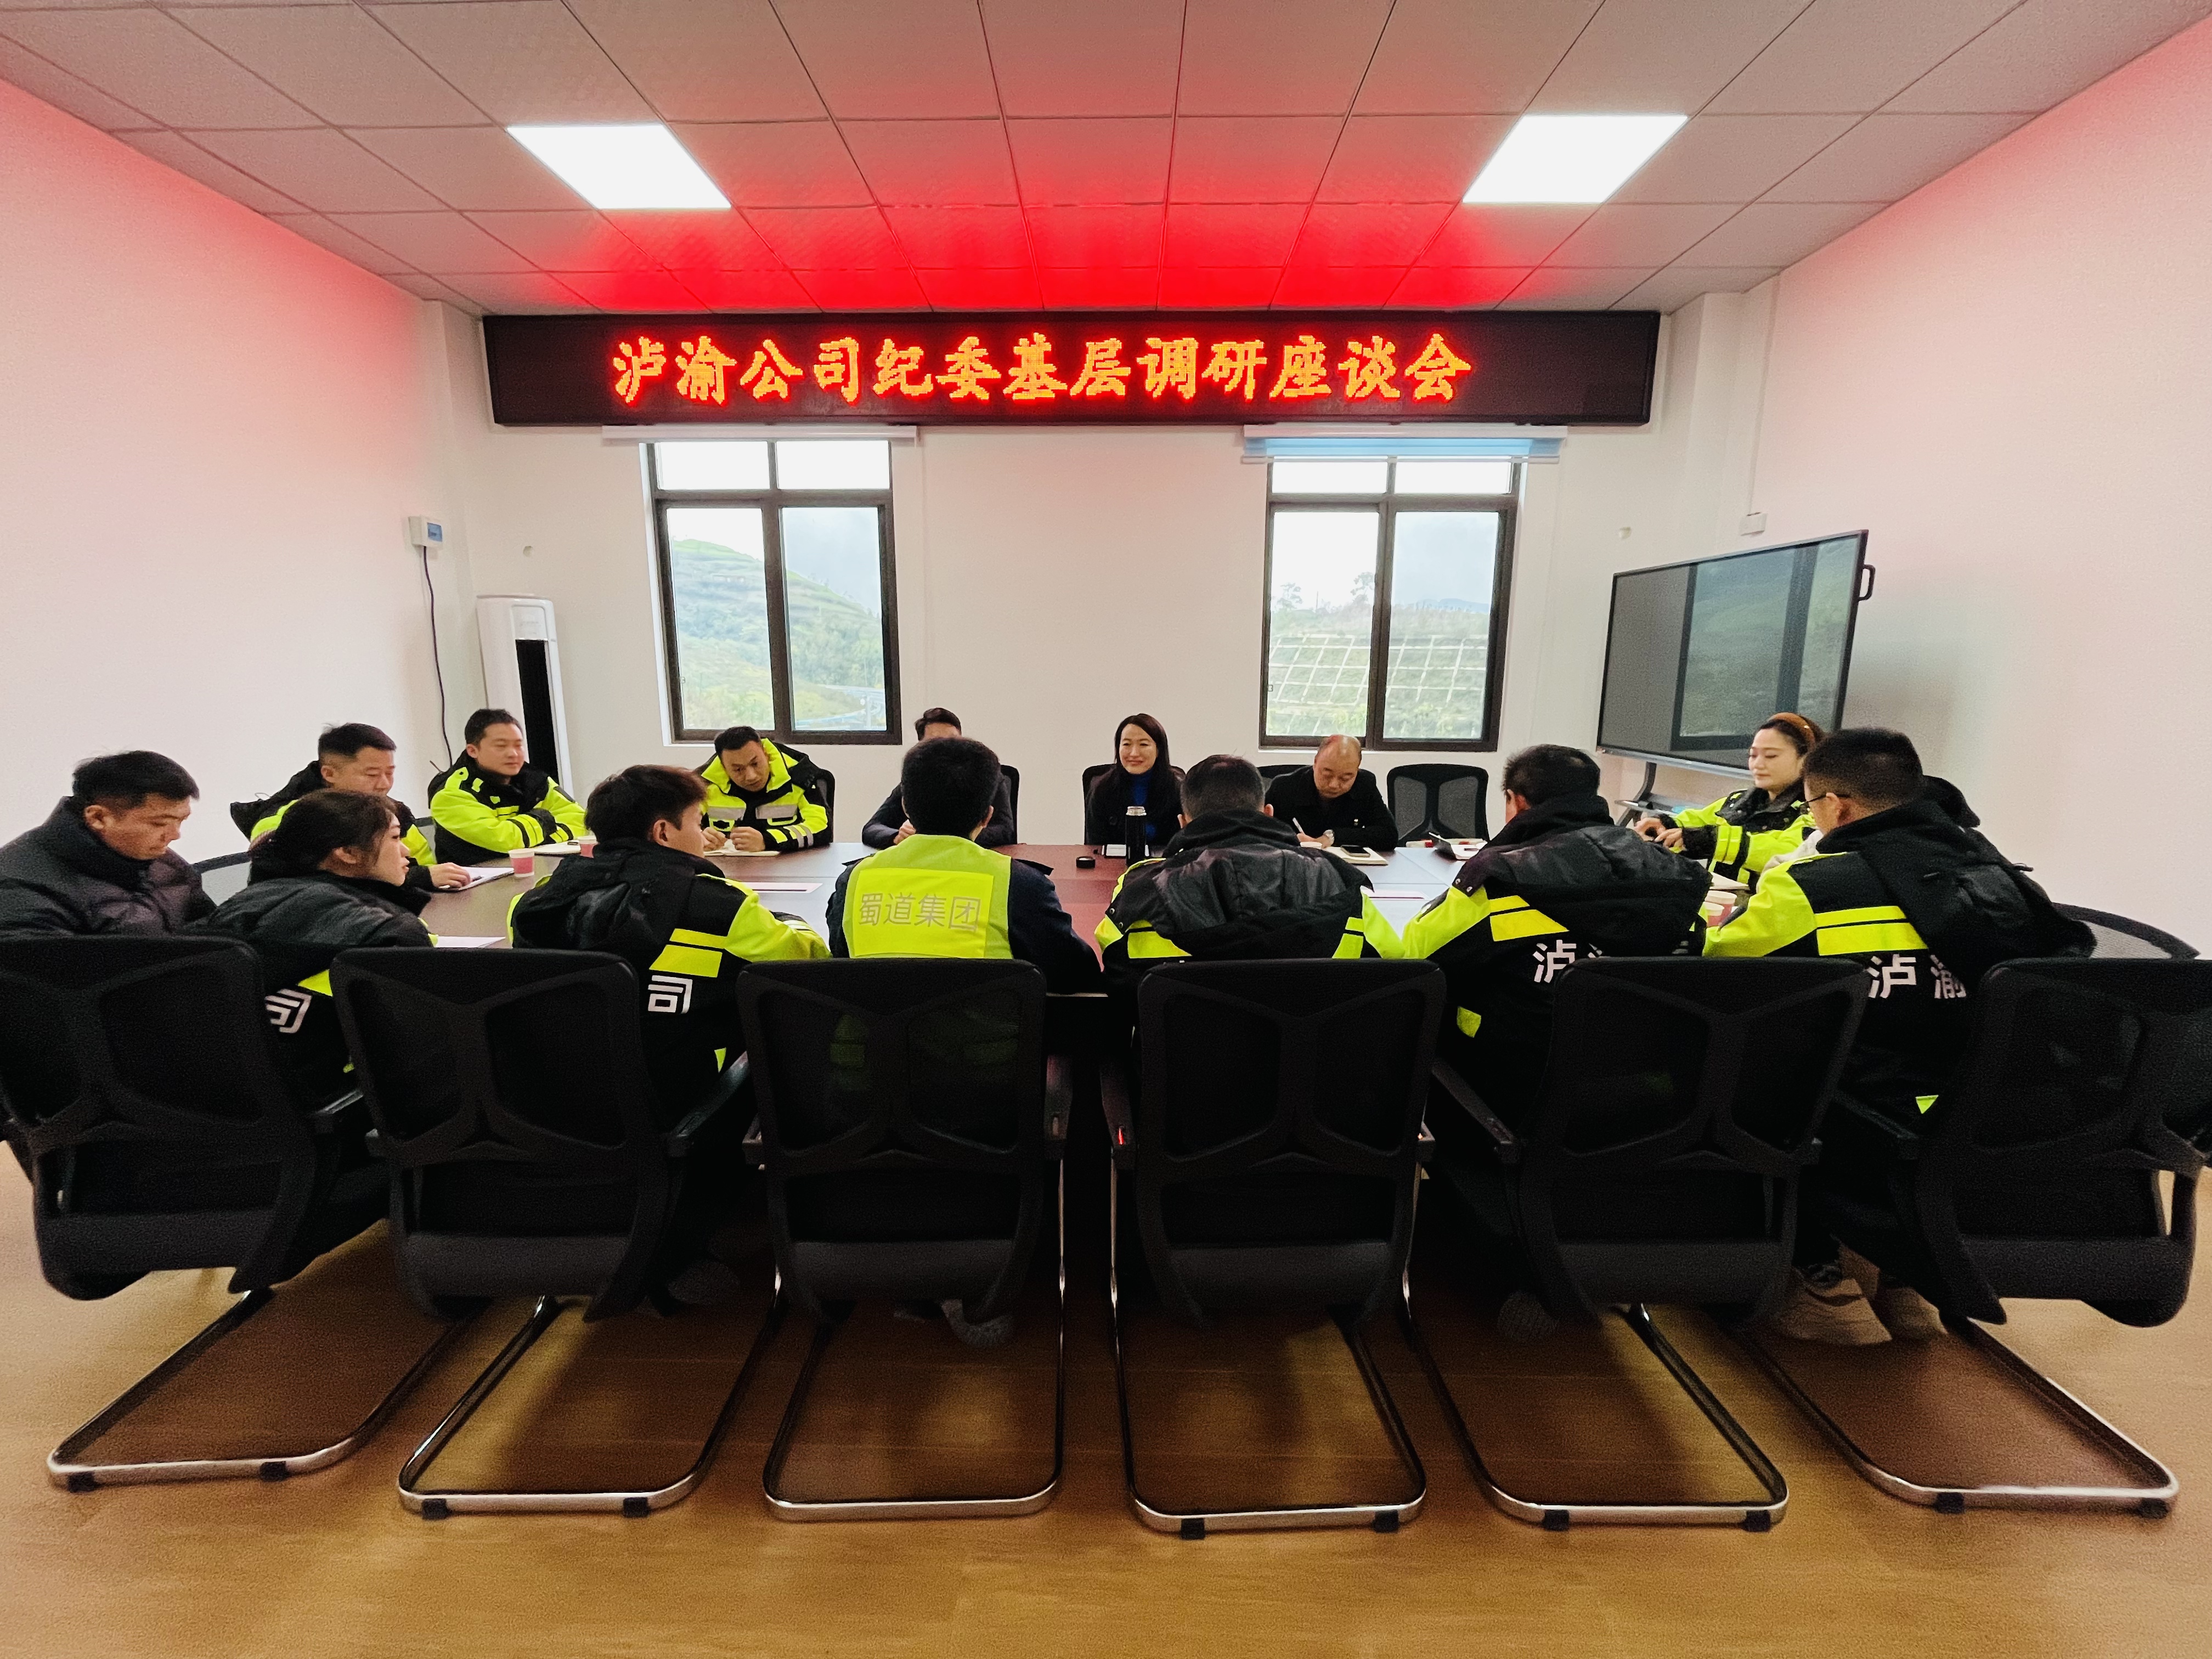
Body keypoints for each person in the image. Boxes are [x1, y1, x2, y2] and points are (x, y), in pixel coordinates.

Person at [1706, 728, 2094, 1344]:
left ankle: (1821, 1280)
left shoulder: (1810, 884)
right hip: (1984, 1114)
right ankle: (1903, 1278)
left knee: (1745, 1070)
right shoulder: (2003, 882)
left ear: (1837, 807)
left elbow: (1718, 971)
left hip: (1860, 1113)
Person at [1401, 744, 1709, 1126]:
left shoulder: (1505, 877)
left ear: (1516, 801)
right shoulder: (1677, 877)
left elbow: (1415, 955)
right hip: (1641, 1096)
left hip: (1513, 1093)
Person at [511, 764, 828, 1111]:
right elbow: (810, 964)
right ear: (663, 832)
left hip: (557, 1102)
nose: (703, 835)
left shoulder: (534, 903)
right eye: (697, 823)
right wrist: (788, 920)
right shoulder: (720, 904)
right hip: (684, 1103)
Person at [190, 789, 431, 1097]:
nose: (407, 851)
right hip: (336, 1100)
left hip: (220, 1091)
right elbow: (417, 1043)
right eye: (395, 838)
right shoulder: (387, 930)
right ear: (348, 853)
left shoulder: (246, 901)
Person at [1096, 753, 1402, 994]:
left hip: (1183, 1057)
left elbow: (1117, 980)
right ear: (1268, 812)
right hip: (1309, 1055)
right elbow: (1395, 964)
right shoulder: (1338, 880)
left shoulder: (1142, 889)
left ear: (1183, 822)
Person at [828, 737, 1097, 991]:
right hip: (985, 1027)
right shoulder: (1018, 885)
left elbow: (841, 961)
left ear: (905, 807)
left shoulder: (854, 880)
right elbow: (1077, 974)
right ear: (987, 817)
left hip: (874, 1027)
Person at [0, 752, 212, 937]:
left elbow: (207, 934)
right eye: (159, 823)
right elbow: (43, 968)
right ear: (98, 818)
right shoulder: (20, 887)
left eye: (182, 821)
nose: (175, 835)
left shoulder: (165, 864)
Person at [239, 721, 469, 891]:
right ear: (329, 774)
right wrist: (420, 878)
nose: (384, 784)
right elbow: (313, 885)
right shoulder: (286, 820)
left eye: (390, 773)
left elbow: (424, 864)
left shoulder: (392, 812)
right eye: (372, 774)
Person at [1634, 713, 1822, 889]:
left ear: (1806, 759)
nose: (1757, 764)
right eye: (1753, 755)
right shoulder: (1738, 801)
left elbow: (1785, 852)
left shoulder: (1815, 809)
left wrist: (1713, 840)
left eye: (1771, 756)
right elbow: (1699, 820)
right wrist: (1666, 825)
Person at [427, 708, 586, 865]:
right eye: (501, 746)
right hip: (478, 880)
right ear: (473, 751)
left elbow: (580, 819)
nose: (513, 754)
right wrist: (544, 820)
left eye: (518, 746)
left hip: (538, 873)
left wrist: (534, 840)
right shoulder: (451, 794)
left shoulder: (535, 779)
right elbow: (505, 840)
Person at [862, 707, 1016, 849]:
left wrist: (947, 838)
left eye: (954, 741)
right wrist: (897, 836)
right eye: (937, 743)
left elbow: (1005, 831)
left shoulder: (985, 776)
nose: (947, 749)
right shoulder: (916, 779)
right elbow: (872, 827)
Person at [698, 726, 830, 854]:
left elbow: (822, 828)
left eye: (755, 764)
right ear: (724, 767)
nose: (751, 776)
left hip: (789, 865)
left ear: (766, 754)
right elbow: (686, 826)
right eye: (738, 770)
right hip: (723, 865)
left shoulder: (801, 776)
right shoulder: (703, 783)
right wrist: (699, 837)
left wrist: (767, 841)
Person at [1262, 735, 1398, 851]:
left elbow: (1389, 835)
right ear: (1315, 763)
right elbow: (1257, 832)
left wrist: (1333, 837)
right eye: (1327, 775)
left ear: (1357, 770)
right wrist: (1290, 839)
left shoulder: (1364, 784)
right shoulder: (1284, 787)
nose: (1334, 785)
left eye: (1345, 778)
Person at [1084, 713, 1181, 857]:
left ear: (1158, 750)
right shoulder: (1102, 790)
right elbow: (1095, 849)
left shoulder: (1178, 790)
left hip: (1164, 867)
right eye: (1127, 744)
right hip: (1113, 867)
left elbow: (1183, 848)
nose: (1134, 753)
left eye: (1143, 744)